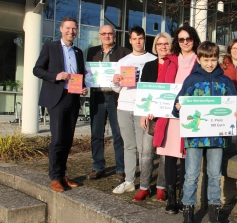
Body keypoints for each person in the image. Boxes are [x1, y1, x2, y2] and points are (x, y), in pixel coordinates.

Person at [172, 41, 237, 223]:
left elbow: (236, 104)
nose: (210, 63)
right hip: (194, 138)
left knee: (214, 174)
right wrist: (178, 107)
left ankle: (214, 212)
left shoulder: (225, 80)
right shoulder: (192, 79)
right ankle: (188, 211)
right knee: (191, 175)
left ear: (217, 59)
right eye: (206, 59)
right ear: (199, 59)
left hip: (217, 138)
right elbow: (176, 106)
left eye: (213, 59)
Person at [33, 17, 88, 192]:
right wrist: (56, 76)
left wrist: (83, 89)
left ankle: (63, 174)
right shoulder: (50, 47)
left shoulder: (79, 52)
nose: (71, 31)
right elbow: (37, 69)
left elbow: (78, 76)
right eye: (68, 28)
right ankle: (55, 177)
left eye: (74, 29)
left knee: (67, 140)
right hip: (57, 98)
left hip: (72, 99)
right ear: (61, 28)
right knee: (57, 139)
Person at [152, 25, 201, 214]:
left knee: (188, 158)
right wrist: (152, 108)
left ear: (194, 40)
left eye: (188, 38)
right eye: (181, 39)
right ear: (177, 42)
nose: (185, 42)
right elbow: (159, 86)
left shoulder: (200, 60)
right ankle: (172, 199)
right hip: (170, 118)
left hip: (191, 118)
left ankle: (185, 196)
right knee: (170, 158)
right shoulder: (170, 61)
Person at [110, 26, 160, 202]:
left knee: (144, 148)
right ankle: (129, 181)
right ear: (129, 40)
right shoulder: (123, 61)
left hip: (143, 109)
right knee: (128, 146)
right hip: (123, 106)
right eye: (134, 39)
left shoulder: (153, 59)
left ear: (144, 39)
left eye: (140, 38)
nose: (137, 41)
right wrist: (115, 81)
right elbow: (116, 88)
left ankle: (145, 183)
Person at [86, 25, 131, 182]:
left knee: (118, 135)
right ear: (99, 35)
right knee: (96, 133)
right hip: (97, 96)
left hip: (115, 98)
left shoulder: (124, 52)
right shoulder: (92, 52)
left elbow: (129, 75)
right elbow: (87, 73)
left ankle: (120, 168)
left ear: (115, 35)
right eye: (104, 33)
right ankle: (97, 166)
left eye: (110, 33)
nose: (107, 36)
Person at [139, 32, 174, 201]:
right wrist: (144, 113)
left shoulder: (175, 64)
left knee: (165, 154)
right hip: (151, 115)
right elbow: (144, 91)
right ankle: (144, 187)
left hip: (169, 116)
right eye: (159, 44)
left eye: (166, 43)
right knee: (147, 152)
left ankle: (161, 187)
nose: (163, 47)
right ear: (155, 46)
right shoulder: (149, 66)